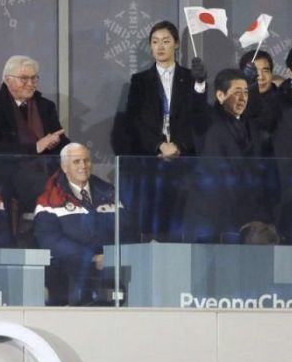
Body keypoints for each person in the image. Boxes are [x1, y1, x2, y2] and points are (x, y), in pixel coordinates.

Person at [118, 21, 205, 240]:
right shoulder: (139, 81)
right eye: (155, 42)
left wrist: (201, 84)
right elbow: (134, 121)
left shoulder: (190, 77)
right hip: (150, 161)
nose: (160, 46)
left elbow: (199, 117)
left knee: (181, 222)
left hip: (184, 160)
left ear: (176, 44)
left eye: (166, 41)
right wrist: (159, 144)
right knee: (151, 223)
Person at [183, 68, 276, 242]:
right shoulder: (209, 120)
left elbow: (260, 113)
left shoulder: (251, 125)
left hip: (244, 218)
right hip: (209, 219)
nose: (243, 98)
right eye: (237, 93)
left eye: (246, 93)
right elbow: (197, 110)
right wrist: (200, 85)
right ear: (220, 96)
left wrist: (253, 85)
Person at [0, 55, 69, 214]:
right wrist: (36, 147)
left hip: (49, 168)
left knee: (89, 183)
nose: (31, 84)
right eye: (24, 79)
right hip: (10, 171)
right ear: (7, 80)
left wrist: (70, 149)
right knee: (49, 188)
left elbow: (60, 138)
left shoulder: (46, 106)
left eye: (34, 78)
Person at [34, 143, 126, 305]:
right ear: (64, 167)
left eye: (86, 161)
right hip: (67, 274)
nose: (83, 166)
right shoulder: (48, 199)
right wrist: (91, 257)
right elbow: (49, 240)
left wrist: (112, 257)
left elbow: (126, 229)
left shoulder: (109, 192)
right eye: (76, 162)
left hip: (111, 271)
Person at [238, 49, 276, 156]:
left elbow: (263, 120)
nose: (260, 77)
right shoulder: (232, 103)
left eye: (265, 71)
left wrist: (252, 88)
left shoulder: (282, 100)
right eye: (254, 72)